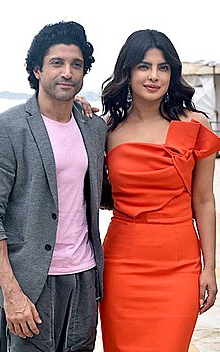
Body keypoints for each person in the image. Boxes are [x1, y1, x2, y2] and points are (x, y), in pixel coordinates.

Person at [0, 21, 107, 352]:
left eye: (76, 65)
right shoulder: (5, 129)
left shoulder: (93, 128)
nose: (67, 73)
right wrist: (11, 292)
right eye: (57, 63)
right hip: (29, 283)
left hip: (84, 278)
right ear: (37, 70)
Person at [98, 29, 220, 352]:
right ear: (127, 71)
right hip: (122, 267)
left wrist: (210, 267)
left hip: (180, 268)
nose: (154, 76)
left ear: (172, 74)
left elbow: (205, 201)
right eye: (144, 66)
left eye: (163, 67)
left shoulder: (195, 126)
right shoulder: (106, 128)